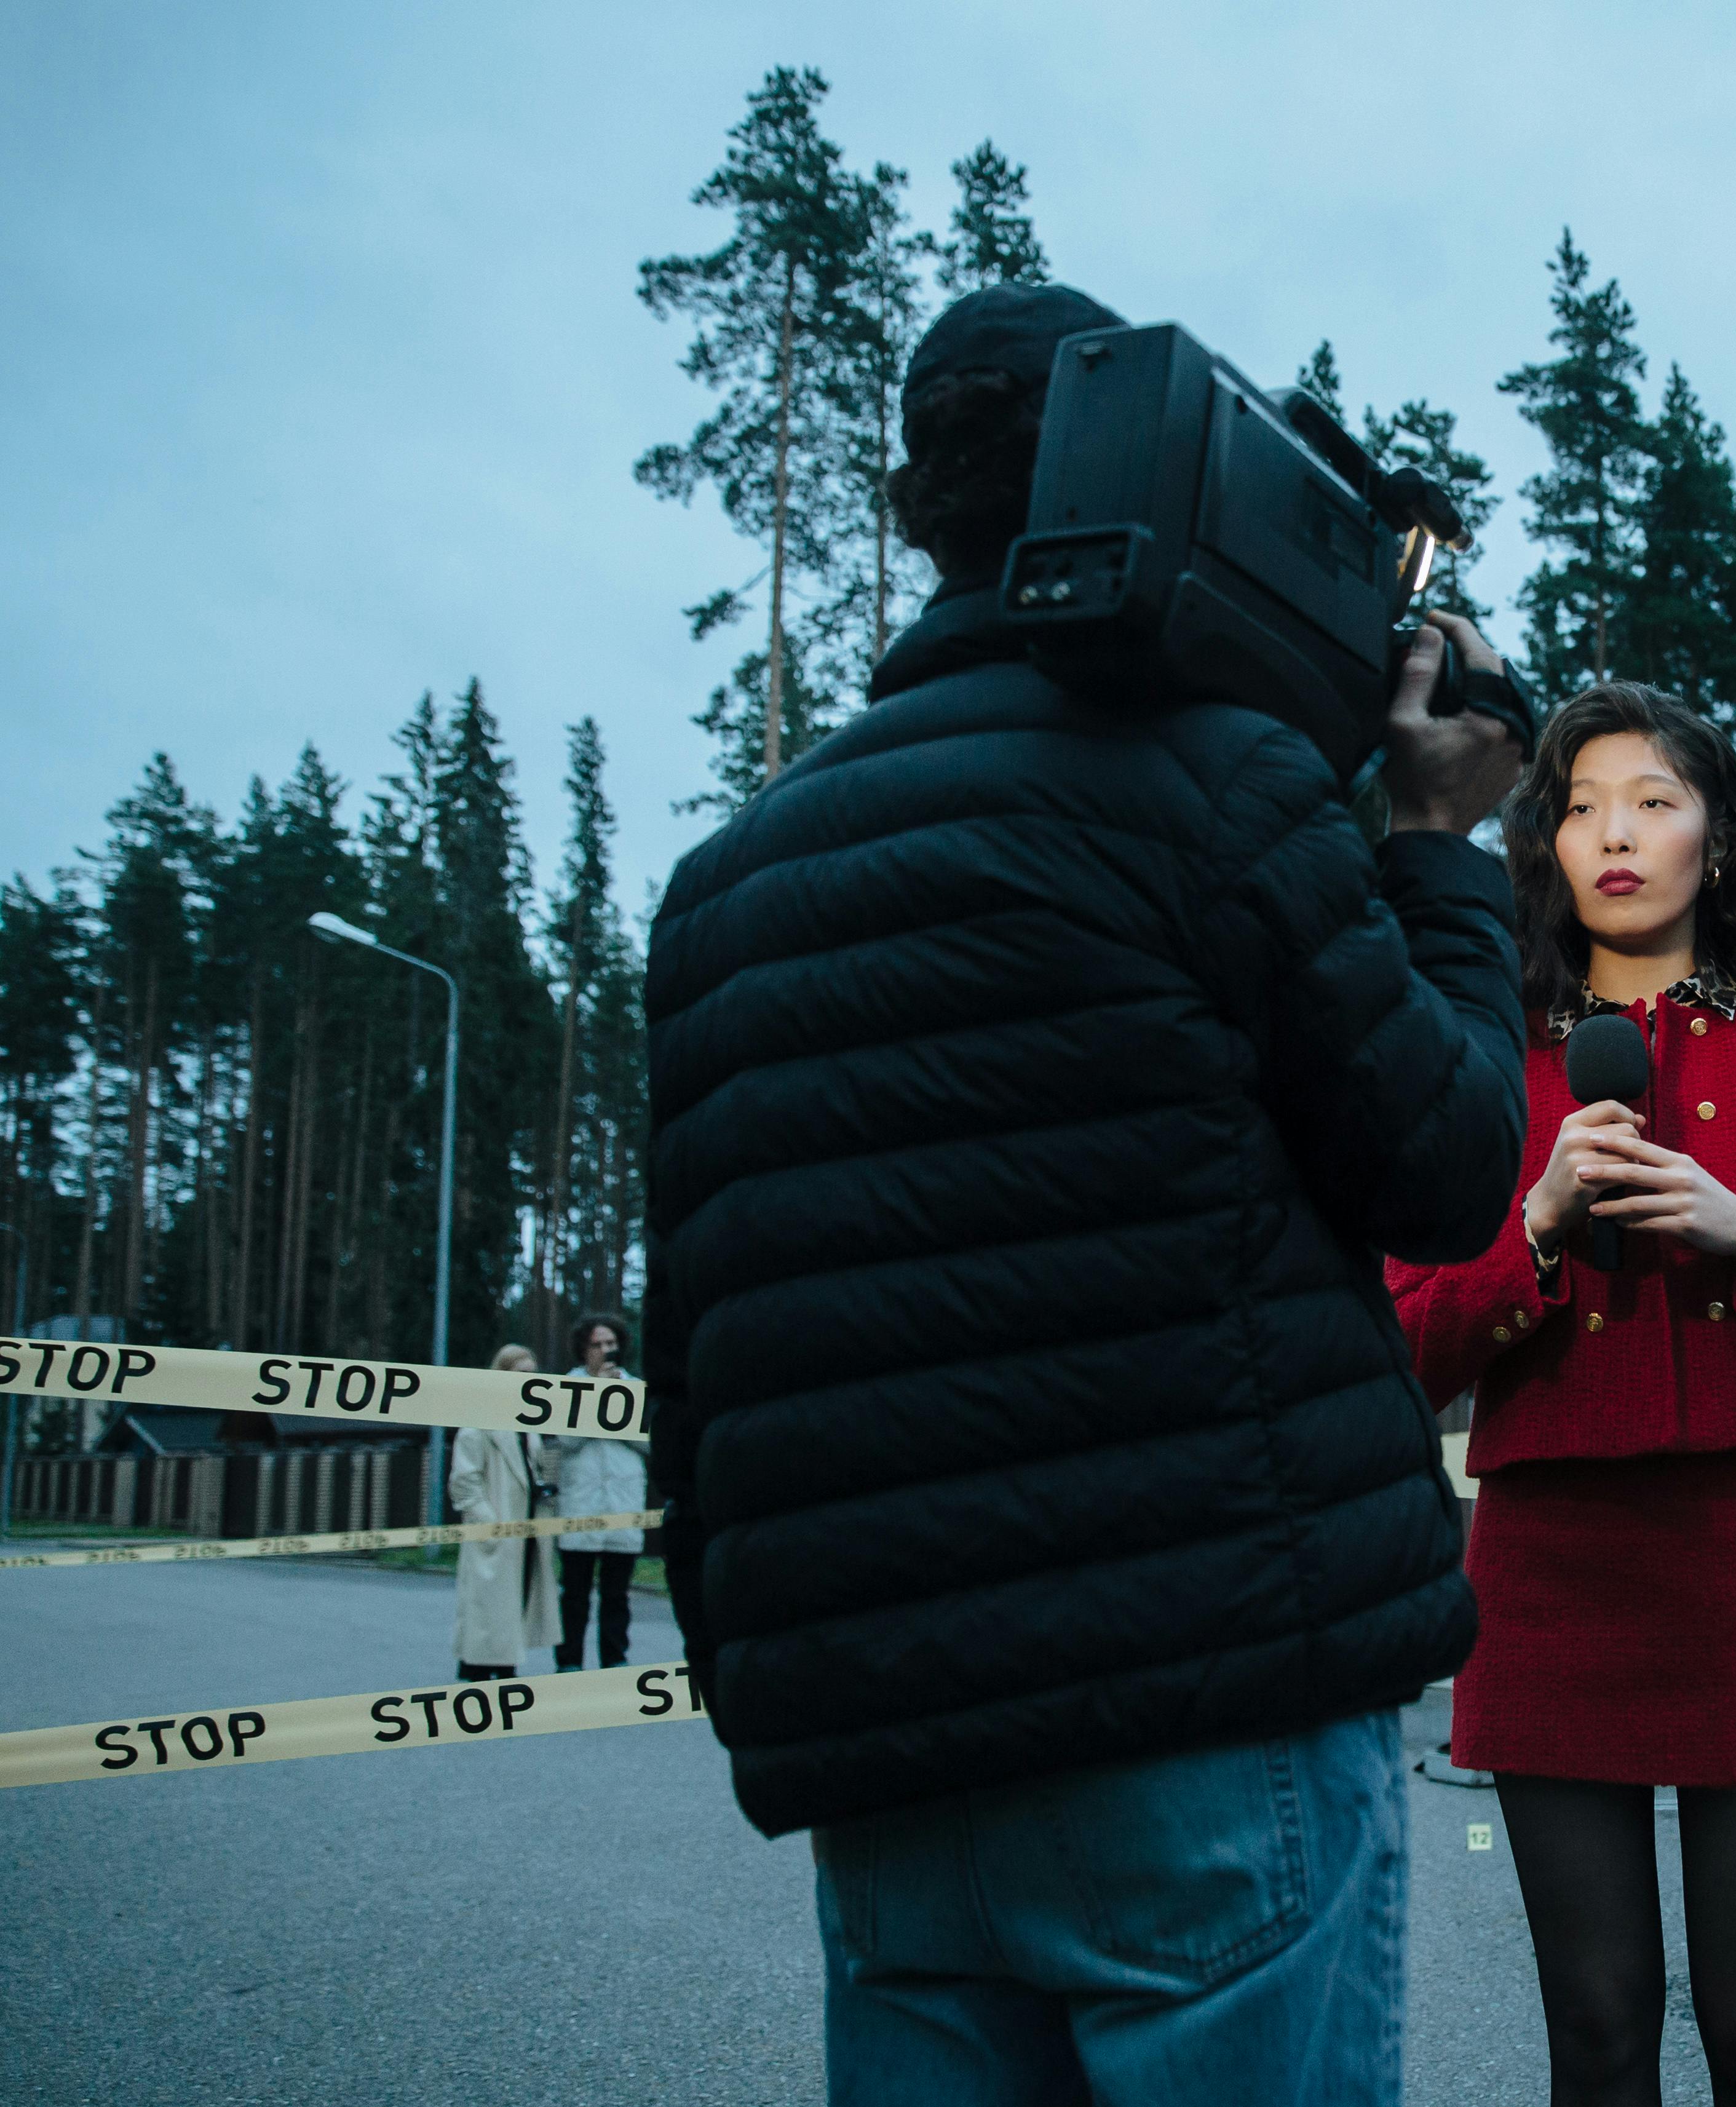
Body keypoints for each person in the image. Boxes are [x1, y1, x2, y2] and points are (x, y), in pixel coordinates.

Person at [641, 283, 1530, 2107]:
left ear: (923, 513)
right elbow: (1443, 1167)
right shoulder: (1212, 786)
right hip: (1208, 1718)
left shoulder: (722, 885)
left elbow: (705, 1348)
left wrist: (785, 1689)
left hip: (889, 1757)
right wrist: (1436, 854)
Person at [1389, 683, 1736, 2107]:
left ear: (1721, 832)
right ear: (1544, 846)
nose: (1614, 833)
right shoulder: (1476, 1051)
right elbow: (1402, 1347)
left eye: (1653, 798)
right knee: (1597, 2030)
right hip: (1547, 1574)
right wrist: (1538, 1221)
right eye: (1577, 805)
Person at [450, 1346, 560, 1680]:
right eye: (521, 1376)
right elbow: (465, 1482)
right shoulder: (480, 1424)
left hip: (526, 1525)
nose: (528, 1383)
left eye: (533, 1376)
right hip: (496, 1528)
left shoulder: (528, 1423)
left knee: (516, 1599)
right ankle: (479, 1667)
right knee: (488, 1605)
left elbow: (530, 1471)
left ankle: (505, 1663)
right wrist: (488, 1522)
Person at [550, 1312, 644, 1673]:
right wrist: (597, 1398)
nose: (606, 1350)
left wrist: (619, 1400)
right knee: (574, 1595)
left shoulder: (636, 1388)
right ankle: (570, 1661)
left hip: (623, 1505)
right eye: (597, 1344)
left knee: (617, 1596)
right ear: (583, 1350)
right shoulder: (569, 1388)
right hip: (581, 1505)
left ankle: (615, 1660)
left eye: (611, 1343)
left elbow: (652, 1444)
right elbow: (567, 1440)